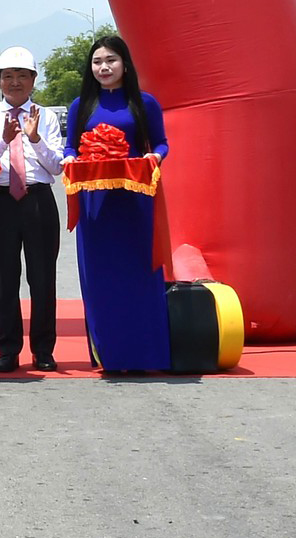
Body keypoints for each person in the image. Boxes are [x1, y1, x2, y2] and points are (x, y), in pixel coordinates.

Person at [63, 33, 172, 372]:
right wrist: (68, 160)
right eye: (97, 62)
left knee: (139, 273)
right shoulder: (81, 106)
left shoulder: (145, 102)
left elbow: (162, 143)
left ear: (125, 64)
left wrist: (155, 156)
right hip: (96, 205)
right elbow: (71, 147)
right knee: (101, 277)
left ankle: (145, 354)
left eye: (110, 60)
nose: (104, 67)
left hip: (136, 202)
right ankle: (109, 355)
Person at [0, 46, 64, 373]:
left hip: (38, 198)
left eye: (22, 76)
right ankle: (8, 348)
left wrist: (36, 138)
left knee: (42, 277)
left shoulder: (48, 116)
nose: (15, 83)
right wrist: (2, 141)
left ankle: (43, 348)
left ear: (33, 80)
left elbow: (56, 167)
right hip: (0, 197)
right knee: (5, 277)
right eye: (8, 76)